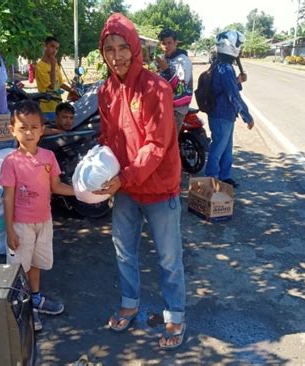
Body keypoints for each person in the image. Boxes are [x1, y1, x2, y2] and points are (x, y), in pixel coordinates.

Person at [95, 13, 186, 350]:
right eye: (109, 49)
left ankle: (175, 314)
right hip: (125, 188)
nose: (116, 56)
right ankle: (130, 302)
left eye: (122, 48)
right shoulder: (105, 91)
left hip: (159, 188)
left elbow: (157, 145)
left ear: (134, 49)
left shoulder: (155, 88)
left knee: (168, 258)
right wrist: (97, 168)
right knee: (124, 252)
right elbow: (108, 138)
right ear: (102, 52)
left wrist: (123, 178)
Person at [0, 100, 75, 331]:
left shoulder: (48, 157)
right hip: (21, 225)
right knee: (19, 267)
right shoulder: (10, 162)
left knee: (36, 263)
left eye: (34, 127)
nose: (29, 132)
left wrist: (83, 192)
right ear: (12, 129)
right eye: (23, 127)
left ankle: (36, 298)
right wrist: (10, 229)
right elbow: (8, 197)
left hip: (44, 222)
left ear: (42, 129)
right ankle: (23, 308)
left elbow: (56, 186)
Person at [204, 31, 254, 188]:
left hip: (225, 114)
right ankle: (211, 179)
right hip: (221, 115)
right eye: (239, 45)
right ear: (232, 47)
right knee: (218, 148)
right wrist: (247, 116)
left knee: (226, 148)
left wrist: (238, 81)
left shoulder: (220, 65)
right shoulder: (225, 68)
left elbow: (227, 88)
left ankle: (224, 176)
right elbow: (233, 95)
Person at [156, 28, 193, 132]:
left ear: (176, 42)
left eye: (169, 43)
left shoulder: (183, 61)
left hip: (176, 109)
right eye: (163, 43)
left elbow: (180, 89)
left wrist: (166, 69)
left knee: (170, 142)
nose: (166, 46)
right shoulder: (162, 58)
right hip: (162, 106)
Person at [35, 36, 72, 120]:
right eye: (52, 46)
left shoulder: (55, 65)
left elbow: (60, 84)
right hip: (46, 107)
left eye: (57, 48)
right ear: (45, 46)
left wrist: (71, 90)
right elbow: (52, 86)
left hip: (58, 105)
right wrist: (52, 66)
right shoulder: (39, 66)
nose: (54, 50)